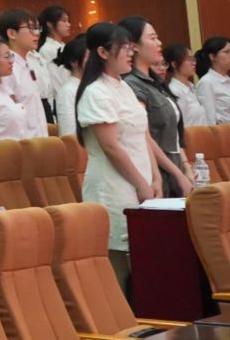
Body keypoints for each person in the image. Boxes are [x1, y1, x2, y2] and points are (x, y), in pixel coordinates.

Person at [71, 22, 163, 284]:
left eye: (131, 47)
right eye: (123, 48)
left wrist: (155, 178)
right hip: (113, 187)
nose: (130, 53)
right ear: (102, 52)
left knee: (146, 266)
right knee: (120, 268)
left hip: (141, 183)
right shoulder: (95, 92)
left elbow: (141, 135)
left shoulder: (123, 86)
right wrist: (141, 183)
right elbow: (111, 146)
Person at [120, 16, 193, 198]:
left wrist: (185, 166)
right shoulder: (133, 84)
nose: (159, 43)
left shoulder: (156, 82)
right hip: (156, 171)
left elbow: (174, 133)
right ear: (134, 46)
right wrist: (176, 173)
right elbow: (144, 136)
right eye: (152, 38)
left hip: (174, 166)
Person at [0, 10, 48, 137]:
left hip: (39, 140)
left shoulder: (28, 62)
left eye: (37, 28)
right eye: (31, 28)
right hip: (22, 142)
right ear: (12, 33)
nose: (37, 33)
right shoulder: (7, 67)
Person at [195, 37, 230, 124]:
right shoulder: (206, 82)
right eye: (226, 52)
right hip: (223, 131)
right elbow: (209, 119)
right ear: (212, 57)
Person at [166, 42, 208, 128]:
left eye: (193, 59)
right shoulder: (175, 91)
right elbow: (180, 125)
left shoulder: (192, 87)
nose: (194, 63)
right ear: (174, 64)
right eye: (189, 59)